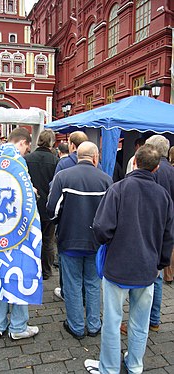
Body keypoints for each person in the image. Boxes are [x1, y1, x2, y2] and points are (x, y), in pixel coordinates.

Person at [84, 144, 174, 374]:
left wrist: (109, 243)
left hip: (118, 267)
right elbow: (168, 236)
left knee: (113, 322)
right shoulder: (163, 196)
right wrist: (160, 264)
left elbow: (102, 227)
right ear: (155, 169)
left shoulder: (119, 189)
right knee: (140, 322)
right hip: (147, 269)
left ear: (134, 163)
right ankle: (134, 365)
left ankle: (110, 368)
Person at [47, 142, 113, 340]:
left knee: (73, 284)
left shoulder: (63, 177)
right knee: (93, 284)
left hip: (69, 240)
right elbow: (111, 214)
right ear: (95, 158)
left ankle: (76, 327)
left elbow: (52, 209)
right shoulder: (106, 180)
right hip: (96, 243)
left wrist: (61, 223)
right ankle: (94, 325)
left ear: (76, 156)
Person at [0, 127, 42, 340]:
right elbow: (23, 199)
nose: (27, 151)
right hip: (17, 233)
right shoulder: (17, 161)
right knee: (18, 273)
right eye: (27, 147)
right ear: (23, 143)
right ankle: (18, 327)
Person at [53, 131, 88, 300]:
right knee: (90, 277)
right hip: (91, 225)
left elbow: (55, 194)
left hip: (68, 222)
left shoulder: (64, 164)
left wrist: (55, 219)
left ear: (72, 145)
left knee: (68, 269)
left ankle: (66, 292)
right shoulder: (98, 165)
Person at [145, 135, 174, 324]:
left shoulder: (153, 170)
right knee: (158, 273)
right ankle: (155, 318)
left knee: (151, 275)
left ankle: (148, 318)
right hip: (167, 225)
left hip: (151, 225)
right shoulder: (171, 170)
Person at [25, 129, 58, 280]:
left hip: (31, 206)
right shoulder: (55, 161)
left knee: (31, 238)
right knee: (48, 240)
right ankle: (46, 271)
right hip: (48, 207)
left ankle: (32, 268)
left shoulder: (27, 158)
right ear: (51, 143)